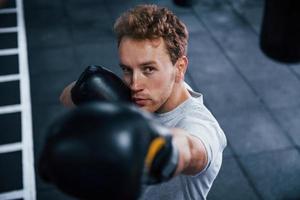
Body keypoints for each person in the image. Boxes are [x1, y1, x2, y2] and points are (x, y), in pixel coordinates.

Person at [59, 4, 227, 200]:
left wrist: (164, 150)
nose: (135, 84)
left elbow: (192, 149)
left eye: (148, 69)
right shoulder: (137, 95)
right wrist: (90, 87)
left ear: (180, 68)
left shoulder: (200, 125)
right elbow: (64, 98)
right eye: (127, 70)